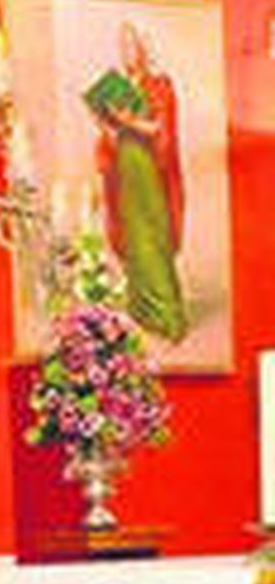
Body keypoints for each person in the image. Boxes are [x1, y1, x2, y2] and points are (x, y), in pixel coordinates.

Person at [87, 22, 187, 343]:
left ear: (143, 49)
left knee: (153, 237)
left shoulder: (159, 84)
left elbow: (160, 129)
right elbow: (114, 137)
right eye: (122, 47)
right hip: (124, 167)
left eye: (130, 46)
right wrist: (105, 123)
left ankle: (169, 316)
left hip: (148, 167)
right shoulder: (119, 84)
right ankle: (142, 311)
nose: (126, 53)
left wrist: (128, 120)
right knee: (132, 235)